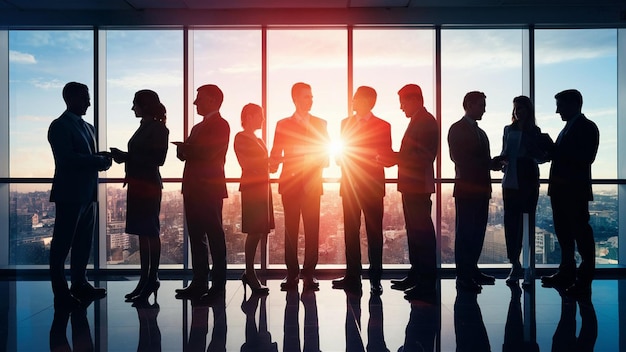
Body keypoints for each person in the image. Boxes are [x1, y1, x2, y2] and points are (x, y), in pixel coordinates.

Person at [48, 82, 112, 309]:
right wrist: (98, 161)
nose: (89, 102)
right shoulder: (59, 126)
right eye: (85, 97)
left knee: (84, 242)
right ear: (70, 99)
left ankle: (79, 283)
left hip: (88, 194)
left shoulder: (89, 128)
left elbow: (84, 157)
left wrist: (100, 158)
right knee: (62, 244)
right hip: (70, 194)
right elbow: (66, 159)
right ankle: (60, 291)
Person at [331, 86, 394, 295]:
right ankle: (352, 276)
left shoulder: (383, 126)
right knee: (351, 232)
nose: (352, 101)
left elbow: (385, 157)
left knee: (374, 234)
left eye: (356, 98)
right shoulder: (345, 124)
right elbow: (342, 150)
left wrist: (369, 157)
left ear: (368, 101)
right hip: (350, 185)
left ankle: (375, 279)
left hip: (372, 186)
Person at [109, 89, 169, 303]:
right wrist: (126, 157)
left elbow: (159, 159)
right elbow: (147, 156)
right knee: (145, 234)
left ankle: (151, 278)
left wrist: (127, 157)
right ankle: (147, 280)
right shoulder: (146, 127)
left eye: (135, 103)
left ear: (144, 105)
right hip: (140, 185)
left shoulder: (158, 128)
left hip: (148, 186)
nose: (132, 107)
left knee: (150, 233)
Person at [269, 82, 329, 291]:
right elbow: (276, 154)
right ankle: (292, 274)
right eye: (306, 97)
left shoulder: (321, 124)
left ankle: (309, 274)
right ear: (295, 99)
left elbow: (326, 156)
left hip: (311, 185)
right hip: (290, 184)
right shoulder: (282, 124)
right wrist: (270, 163)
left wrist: (309, 157)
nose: (311, 100)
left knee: (313, 231)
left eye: (311, 96)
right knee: (290, 231)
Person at [174, 84, 230, 302]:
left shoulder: (221, 125)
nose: (195, 103)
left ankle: (217, 285)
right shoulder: (198, 127)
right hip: (194, 188)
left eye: (199, 98)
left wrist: (187, 149)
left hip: (208, 189)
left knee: (214, 237)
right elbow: (195, 154)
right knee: (196, 237)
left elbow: (209, 153)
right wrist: (183, 150)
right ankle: (199, 283)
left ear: (213, 100)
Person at [541, 89, 599, 297]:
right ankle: (567, 273)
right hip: (562, 190)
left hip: (573, 191)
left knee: (580, 234)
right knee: (564, 233)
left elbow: (585, 158)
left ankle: (583, 279)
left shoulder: (587, 127)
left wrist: (554, 151)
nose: (557, 111)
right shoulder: (569, 128)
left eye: (561, 105)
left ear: (574, 104)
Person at [389, 84, 439, 301]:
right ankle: (416, 275)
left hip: (417, 186)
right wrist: (395, 157)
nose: (401, 107)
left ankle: (425, 283)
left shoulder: (426, 122)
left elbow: (423, 156)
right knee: (414, 233)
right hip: (412, 185)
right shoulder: (419, 121)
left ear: (414, 99)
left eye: (402, 102)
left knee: (422, 235)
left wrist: (395, 158)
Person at [448, 91, 500, 293]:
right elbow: (460, 159)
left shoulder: (481, 132)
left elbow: (475, 160)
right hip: (467, 190)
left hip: (480, 189)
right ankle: (463, 276)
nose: (484, 109)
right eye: (481, 105)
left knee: (477, 233)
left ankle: (472, 270)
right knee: (465, 234)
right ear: (468, 105)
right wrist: (489, 163)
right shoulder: (457, 129)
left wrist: (492, 163)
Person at [498, 96, 551, 285]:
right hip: (511, 179)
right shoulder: (508, 130)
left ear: (528, 110)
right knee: (512, 225)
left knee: (527, 223)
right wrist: (501, 161)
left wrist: (535, 152)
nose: (518, 112)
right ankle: (515, 264)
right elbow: (505, 152)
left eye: (521, 108)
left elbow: (543, 157)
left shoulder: (535, 132)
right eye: (516, 108)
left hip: (527, 179)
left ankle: (528, 267)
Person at [234, 103, 275, 295]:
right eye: (260, 115)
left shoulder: (259, 140)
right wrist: (267, 162)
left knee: (258, 232)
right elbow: (247, 163)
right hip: (253, 188)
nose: (263, 119)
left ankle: (249, 272)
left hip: (262, 188)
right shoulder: (240, 138)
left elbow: (264, 165)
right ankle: (249, 272)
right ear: (249, 116)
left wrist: (272, 164)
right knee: (254, 231)